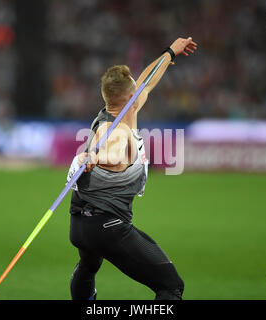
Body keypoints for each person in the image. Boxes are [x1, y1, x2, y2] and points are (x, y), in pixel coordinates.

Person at [66, 37, 198, 300]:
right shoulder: (116, 132)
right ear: (131, 98)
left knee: (89, 265)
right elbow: (112, 151)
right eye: (136, 90)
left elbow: (147, 80)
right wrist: (91, 157)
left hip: (80, 225)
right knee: (171, 287)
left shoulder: (114, 111)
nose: (141, 89)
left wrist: (170, 52)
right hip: (107, 227)